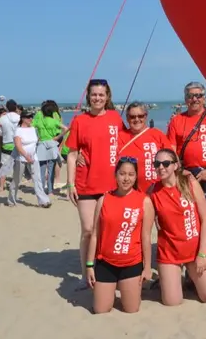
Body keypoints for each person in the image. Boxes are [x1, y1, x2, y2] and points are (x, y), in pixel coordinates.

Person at [66, 79, 126, 287]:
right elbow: (72, 154)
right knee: (89, 230)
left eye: (101, 94)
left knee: (110, 230)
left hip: (112, 185)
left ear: (107, 96)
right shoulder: (79, 121)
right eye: (94, 94)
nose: (97, 98)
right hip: (86, 184)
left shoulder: (115, 118)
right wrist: (70, 184)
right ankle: (85, 274)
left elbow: (128, 143)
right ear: (88, 96)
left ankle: (110, 272)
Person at [150, 148, 206, 306]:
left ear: (175, 165)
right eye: (157, 163)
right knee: (172, 302)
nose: (161, 167)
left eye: (166, 163)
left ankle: (193, 279)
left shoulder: (189, 182)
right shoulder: (153, 192)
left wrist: (202, 254)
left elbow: (204, 220)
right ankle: (167, 280)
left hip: (194, 250)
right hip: (170, 252)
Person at [85, 157, 154, 314]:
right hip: (106, 263)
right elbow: (95, 234)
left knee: (132, 309)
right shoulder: (104, 200)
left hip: (131, 263)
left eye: (131, 174)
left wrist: (147, 267)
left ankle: (123, 289)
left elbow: (146, 237)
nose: (126, 178)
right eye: (122, 174)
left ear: (136, 176)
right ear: (116, 175)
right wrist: (89, 265)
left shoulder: (144, 201)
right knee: (101, 310)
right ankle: (107, 291)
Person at [167, 82, 206, 229]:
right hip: (186, 174)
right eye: (191, 96)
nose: (195, 99)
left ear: (204, 98)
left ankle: (205, 251)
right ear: (186, 99)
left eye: (198, 95)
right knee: (189, 214)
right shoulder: (177, 120)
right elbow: (171, 149)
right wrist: (180, 171)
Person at [118, 102, 171, 194]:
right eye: (132, 116)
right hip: (132, 193)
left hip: (159, 191)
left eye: (140, 116)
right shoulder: (120, 137)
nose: (136, 119)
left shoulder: (158, 135)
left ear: (145, 116)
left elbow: (171, 160)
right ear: (127, 118)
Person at [8, 110, 51, 208]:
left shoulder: (33, 129)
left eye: (32, 116)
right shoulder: (18, 130)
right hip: (21, 158)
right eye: (28, 117)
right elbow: (18, 146)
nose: (31, 118)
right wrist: (26, 156)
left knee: (38, 179)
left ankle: (43, 201)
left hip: (34, 157)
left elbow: (36, 141)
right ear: (23, 118)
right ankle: (11, 199)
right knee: (17, 179)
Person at [34, 100, 68, 195]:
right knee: (51, 168)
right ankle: (50, 190)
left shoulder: (39, 121)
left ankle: (40, 189)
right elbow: (66, 128)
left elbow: (30, 126)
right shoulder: (54, 121)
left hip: (41, 144)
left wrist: (37, 137)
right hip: (52, 144)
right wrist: (58, 137)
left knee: (42, 168)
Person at [0, 99, 21, 192]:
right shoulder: (20, 118)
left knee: (4, 167)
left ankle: (1, 187)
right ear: (16, 107)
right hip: (18, 144)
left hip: (6, 144)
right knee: (17, 167)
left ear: (6, 107)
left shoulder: (2, 119)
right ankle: (14, 186)